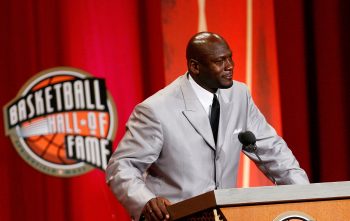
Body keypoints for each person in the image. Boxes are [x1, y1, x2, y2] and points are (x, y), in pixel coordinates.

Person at [106, 32, 309, 221]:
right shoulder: (155, 110)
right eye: (220, 61)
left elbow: (273, 150)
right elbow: (122, 166)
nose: (229, 66)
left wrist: (306, 196)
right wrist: (146, 201)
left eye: (229, 58)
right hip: (177, 217)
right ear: (195, 67)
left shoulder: (239, 95)